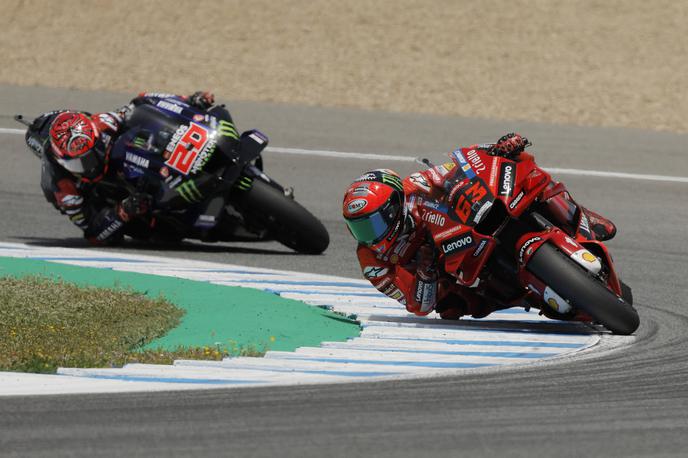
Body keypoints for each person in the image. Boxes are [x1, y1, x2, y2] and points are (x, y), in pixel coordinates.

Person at [342, 133, 617, 320]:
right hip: (447, 273)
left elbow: (459, 166)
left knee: (522, 168)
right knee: (453, 308)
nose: (369, 235)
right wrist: (425, 274)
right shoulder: (372, 260)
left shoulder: (415, 186)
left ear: (394, 206)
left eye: (373, 223)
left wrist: (496, 149)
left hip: (464, 227)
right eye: (360, 228)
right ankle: (528, 296)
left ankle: (580, 216)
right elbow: (418, 306)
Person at [24, 91, 216, 244]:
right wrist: (122, 211)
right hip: (105, 199)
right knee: (152, 234)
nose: (88, 165)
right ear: (62, 162)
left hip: (122, 163)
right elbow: (92, 233)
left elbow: (142, 101)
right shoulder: (66, 190)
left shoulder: (103, 123)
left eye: (91, 155)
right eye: (78, 162)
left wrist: (188, 99)